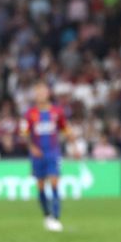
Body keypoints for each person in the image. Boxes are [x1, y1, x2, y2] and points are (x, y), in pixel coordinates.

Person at [21, 82, 77, 232]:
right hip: (37, 155)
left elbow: (66, 129)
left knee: (54, 182)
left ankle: (56, 218)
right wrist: (32, 147)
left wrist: (75, 147)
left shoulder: (57, 112)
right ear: (35, 95)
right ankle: (47, 215)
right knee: (40, 186)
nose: (41, 95)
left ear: (48, 94)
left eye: (43, 92)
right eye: (38, 93)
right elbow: (24, 134)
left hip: (53, 152)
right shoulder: (30, 114)